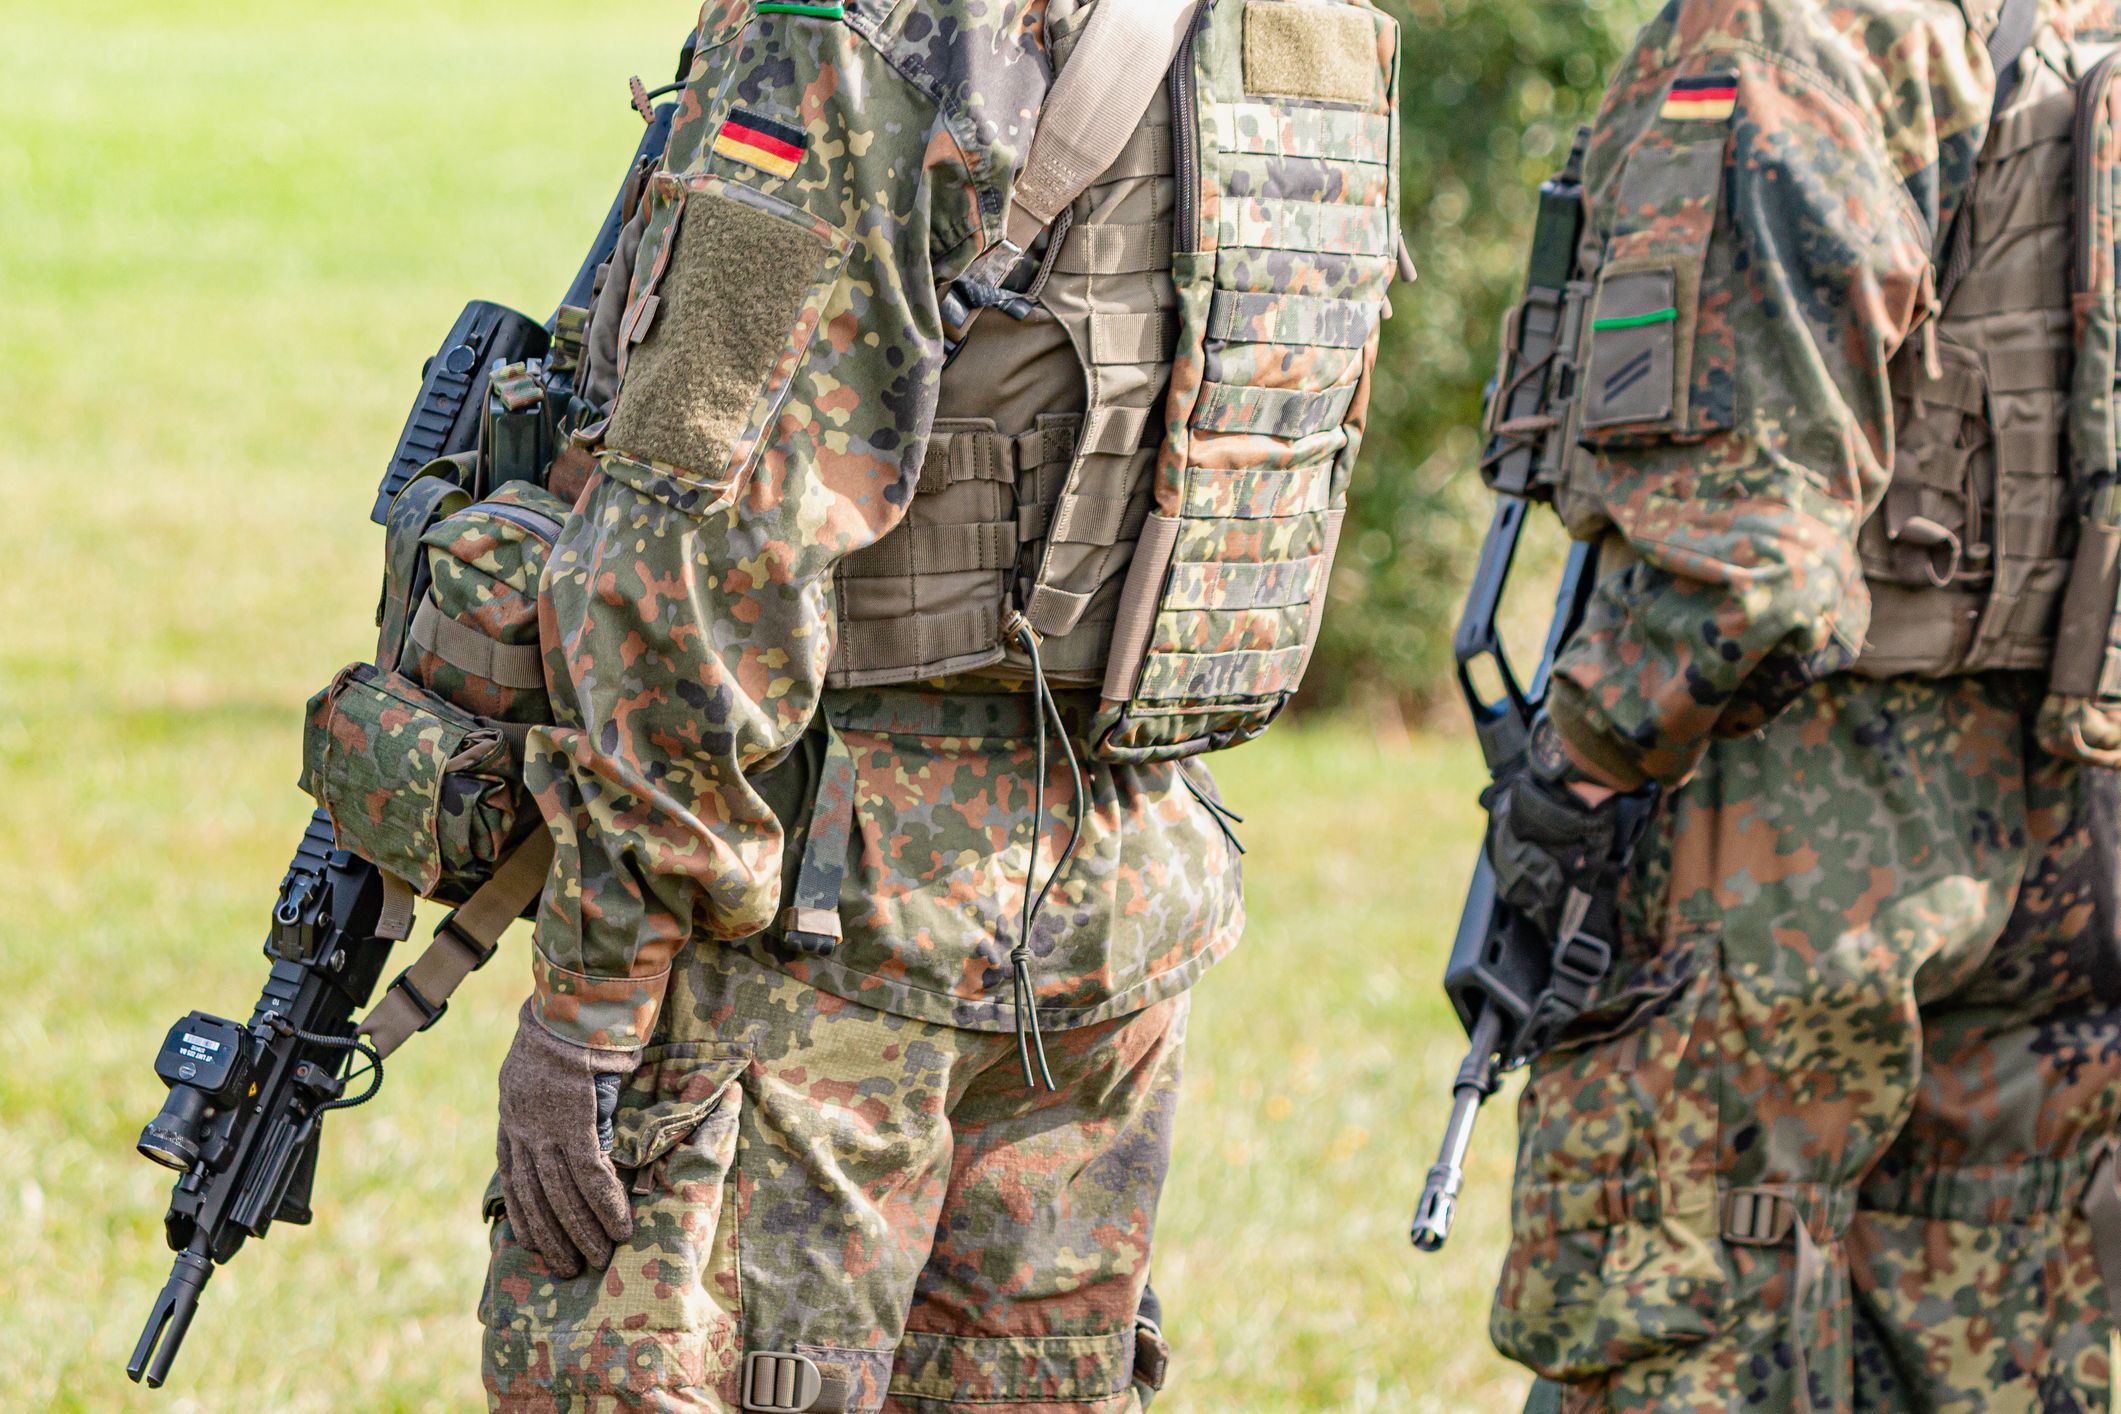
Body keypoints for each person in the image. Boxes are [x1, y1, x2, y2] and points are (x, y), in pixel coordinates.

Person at [475, 1, 1404, 1409]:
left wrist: (592, 996)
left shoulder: (855, 29)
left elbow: (706, 529)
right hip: (1118, 908)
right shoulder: (1304, 29)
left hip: (822, 924)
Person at [1480, 0, 2121, 1407]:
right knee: (2004, 1340)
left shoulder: (1785, 34)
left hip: (1803, 830)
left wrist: (1575, 772)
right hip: (2074, 813)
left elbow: (1738, 556)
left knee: (1674, 1317)